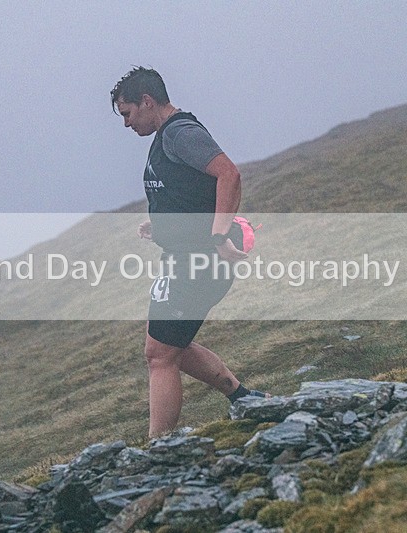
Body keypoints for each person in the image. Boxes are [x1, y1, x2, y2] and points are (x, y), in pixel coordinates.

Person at [111, 66, 268, 438]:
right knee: (169, 344)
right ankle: (242, 397)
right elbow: (189, 192)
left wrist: (217, 237)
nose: (126, 124)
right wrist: (164, 227)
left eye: (127, 113)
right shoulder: (166, 136)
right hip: (185, 257)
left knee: (160, 354)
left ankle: (159, 447)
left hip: (200, 261)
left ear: (147, 101)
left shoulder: (181, 133)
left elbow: (229, 174)